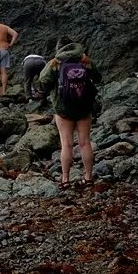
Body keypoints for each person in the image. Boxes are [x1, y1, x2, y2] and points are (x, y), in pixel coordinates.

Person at [37, 41, 101, 189]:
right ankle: (88, 177)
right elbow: (98, 78)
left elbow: (43, 80)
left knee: (67, 144)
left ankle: (65, 179)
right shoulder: (84, 60)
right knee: (85, 143)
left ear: (59, 48)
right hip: (84, 107)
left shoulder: (56, 62)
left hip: (63, 108)